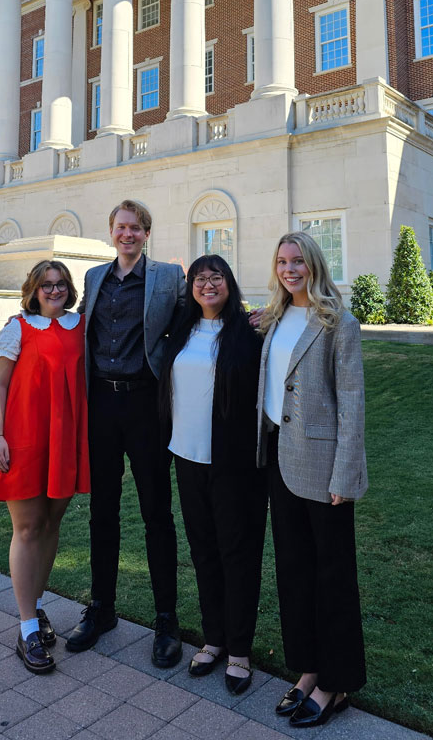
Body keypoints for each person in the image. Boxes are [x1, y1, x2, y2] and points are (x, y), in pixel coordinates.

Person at [65, 200, 186, 668]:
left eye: (136, 228)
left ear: (147, 233)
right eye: (121, 227)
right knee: (103, 511)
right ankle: (102, 609)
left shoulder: (168, 278)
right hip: (102, 404)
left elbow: (196, 317)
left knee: (157, 512)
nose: (128, 234)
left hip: (146, 404)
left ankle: (166, 618)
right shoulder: (95, 278)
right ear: (111, 232)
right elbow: (74, 326)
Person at [256, 231, 367, 727]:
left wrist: (346, 472)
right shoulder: (276, 319)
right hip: (280, 463)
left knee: (332, 577)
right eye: (282, 261)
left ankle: (334, 683)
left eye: (298, 260)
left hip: (325, 472)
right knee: (294, 572)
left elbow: (352, 405)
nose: (289, 269)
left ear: (314, 265)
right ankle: (306, 670)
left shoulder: (339, 323)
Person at [159, 256, 265, 695]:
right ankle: (214, 638)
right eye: (199, 278)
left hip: (234, 464)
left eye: (215, 277)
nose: (207, 284)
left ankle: (240, 649)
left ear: (229, 283)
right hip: (187, 457)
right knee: (203, 551)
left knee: (237, 553)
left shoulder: (249, 332)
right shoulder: (181, 331)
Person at [0, 260, 89, 675]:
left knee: (50, 525)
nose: (54, 290)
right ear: (33, 288)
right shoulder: (17, 328)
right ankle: (27, 628)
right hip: (25, 439)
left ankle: (38, 606)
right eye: (47, 284)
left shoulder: (80, 325)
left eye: (61, 283)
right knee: (27, 528)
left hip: (66, 441)